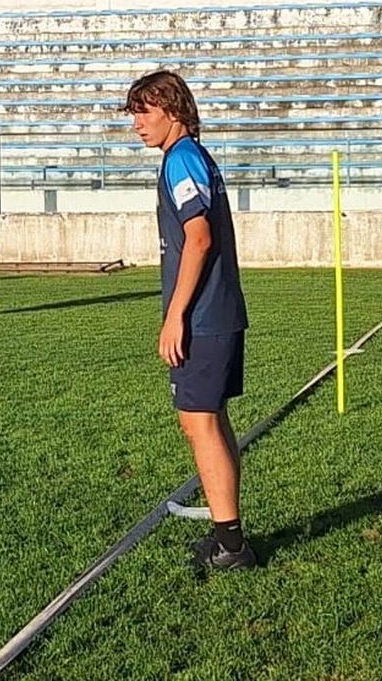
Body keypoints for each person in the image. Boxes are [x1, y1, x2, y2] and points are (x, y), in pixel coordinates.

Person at [126, 70, 256, 571]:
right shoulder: (190, 158)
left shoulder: (181, 160)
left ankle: (231, 544)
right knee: (210, 420)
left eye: (145, 111)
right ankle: (229, 535)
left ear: (174, 111)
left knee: (198, 421)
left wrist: (175, 315)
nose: (137, 123)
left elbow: (198, 238)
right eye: (134, 112)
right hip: (215, 312)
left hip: (203, 316)